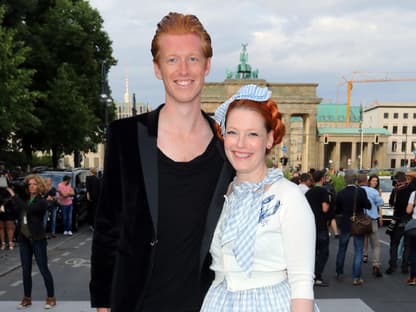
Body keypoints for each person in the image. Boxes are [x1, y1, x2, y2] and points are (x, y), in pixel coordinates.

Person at [90, 12, 233, 312]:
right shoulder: (126, 136)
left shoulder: (228, 146)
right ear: (157, 68)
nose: (183, 69)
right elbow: (107, 226)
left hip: (207, 304)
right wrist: (102, 303)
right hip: (135, 302)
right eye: (172, 60)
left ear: (207, 65)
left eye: (193, 59)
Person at [201, 84, 317, 311]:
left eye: (252, 134)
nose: (240, 144)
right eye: (232, 132)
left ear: (270, 139)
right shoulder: (222, 195)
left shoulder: (289, 196)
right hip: (218, 302)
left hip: (271, 303)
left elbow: (302, 282)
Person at [5, 174, 56, 309]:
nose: (31, 186)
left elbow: (28, 209)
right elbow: (17, 211)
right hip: (24, 239)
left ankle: (51, 297)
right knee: (25, 270)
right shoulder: (26, 199)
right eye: (30, 184)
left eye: (34, 184)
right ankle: (27, 298)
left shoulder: (42, 201)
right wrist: (8, 203)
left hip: (37, 239)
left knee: (43, 268)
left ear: (39, 186)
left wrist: (14, 195)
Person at [335, 173, 371, 285]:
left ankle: (339, 273)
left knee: (342, 249)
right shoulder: (360, 191)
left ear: (345, 181)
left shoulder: (340, 193)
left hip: (345, 224)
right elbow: (368, 205)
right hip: (358, 224)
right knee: (358, 250)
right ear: (355, 181)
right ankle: (356, 277)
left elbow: (337, 210)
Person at [305, 170, 331, 287]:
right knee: (323, 252)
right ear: (322, 179)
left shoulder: (308, 192)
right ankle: (317, 276)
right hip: (321, 225)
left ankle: (310, 275)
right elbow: (325, 208)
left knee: (312, 253)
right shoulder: (324, 191)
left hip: (309, 226)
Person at [386, 171, 413, 275]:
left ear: (397, 180)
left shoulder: (396, 191)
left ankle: (392, 266)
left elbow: (391, 203)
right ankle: (405, 267)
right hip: (409, 219)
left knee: (394, 243)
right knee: (407, 245)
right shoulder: (412, 190)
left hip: (397, 219)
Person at [358, 173, 384, 277]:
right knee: (375, 245)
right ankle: (376, 265)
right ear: (367, 181)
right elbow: (381, 203)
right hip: (372, 219)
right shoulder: (373, 191)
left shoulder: (357, 191)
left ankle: (357, 266)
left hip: (360, 220)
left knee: (359, 243)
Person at [406, 188, 416, 285]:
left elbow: (408, 210)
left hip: (414, 225)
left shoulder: (414, 193)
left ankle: (413, 277)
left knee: (413, 252)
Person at [86, 168, 100, 232]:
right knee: (95, 211)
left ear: (91, 172)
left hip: (90, 197)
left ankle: (91, 225)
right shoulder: (97, 179)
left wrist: (88, 195)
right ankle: (95, 225)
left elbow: (87, 188)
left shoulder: (88, 178)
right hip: (96, 197)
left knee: (90, 211)